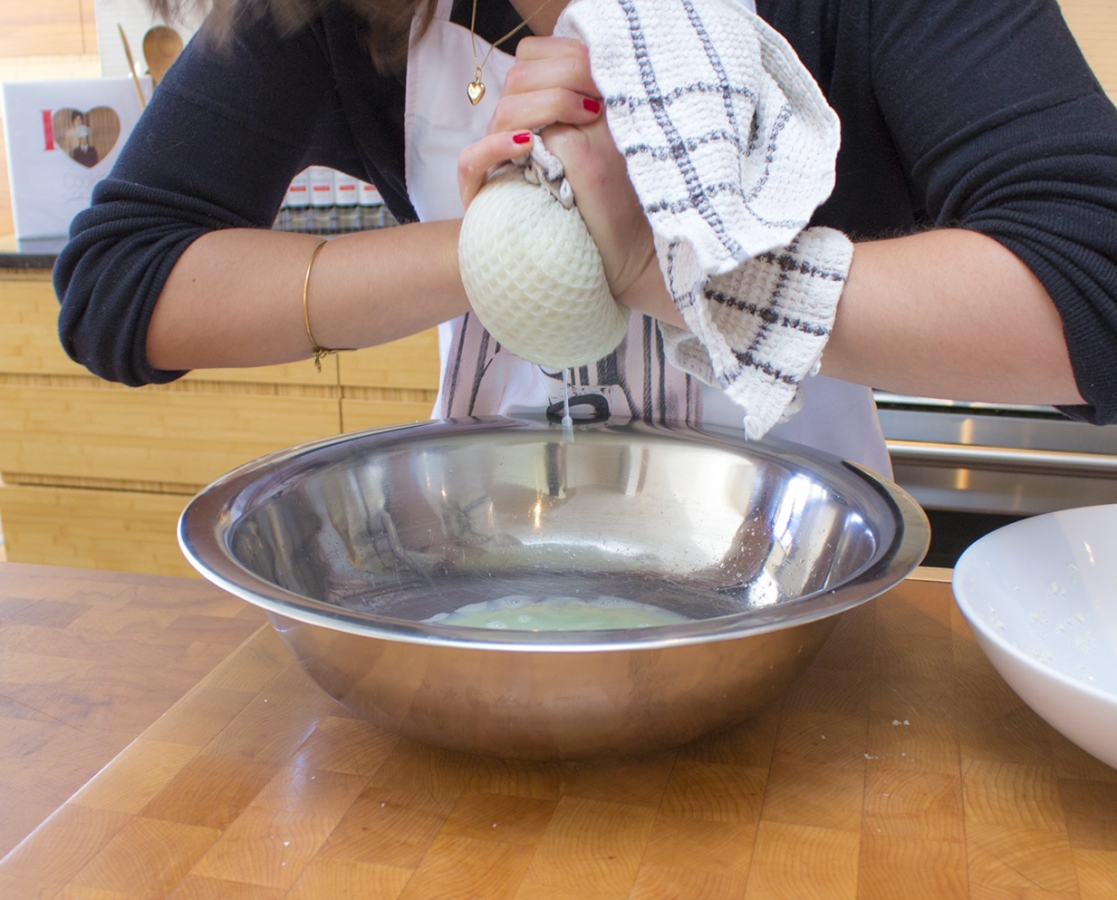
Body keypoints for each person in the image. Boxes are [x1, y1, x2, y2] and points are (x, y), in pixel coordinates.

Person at [54, 0, 1117, 476]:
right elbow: (121, 284)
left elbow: (1093, 282)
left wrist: (663, 269)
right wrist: (507, 241)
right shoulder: (340, 15)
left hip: (793, 595)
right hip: (489, 584)